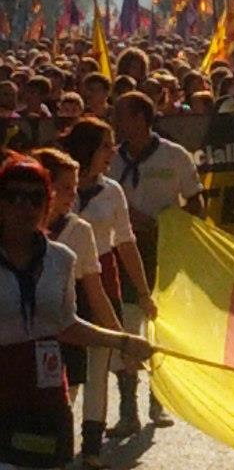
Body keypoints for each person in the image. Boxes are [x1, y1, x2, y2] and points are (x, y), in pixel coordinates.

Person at [0, 154, 151, 469]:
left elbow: (66, 324)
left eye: (34, 197)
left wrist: (123, 342)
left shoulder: (62, 259)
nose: (24, 206)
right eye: (12, 196)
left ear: (47, 203)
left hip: (48, 395)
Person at [109, 91, 205, 436]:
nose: (116, 121)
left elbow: (196, 203)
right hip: (121, 254)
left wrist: (173, 226)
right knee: (126, 330)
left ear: (139, 118)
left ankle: (158, 399)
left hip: (162, 254)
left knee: (158, 326)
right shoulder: (112, 159)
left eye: (121, 114)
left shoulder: (173, 155)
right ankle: (127, 409)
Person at [63, 117, 156, 453]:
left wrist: (143, 293)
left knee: (99, 363)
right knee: (64, 365)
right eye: (105, 145)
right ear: (85, 148)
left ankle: (90, 445)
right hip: (60, 281)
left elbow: (126, 243)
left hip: (102, 279)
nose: (112, 152)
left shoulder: (112, 189)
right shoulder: (58, 185)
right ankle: (58, 429)